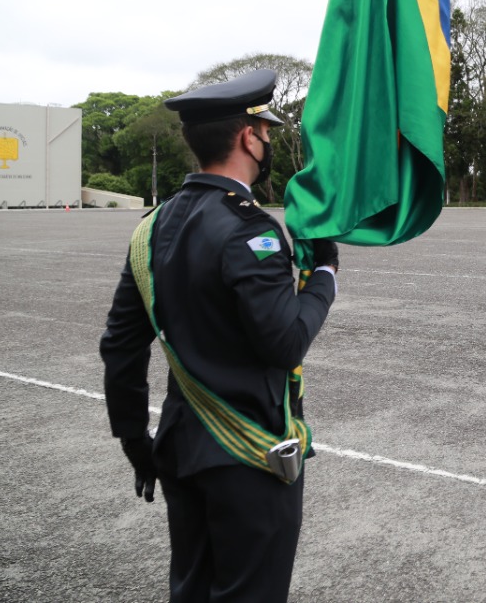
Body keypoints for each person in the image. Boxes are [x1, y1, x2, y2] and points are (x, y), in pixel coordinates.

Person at [100, 69, 339, 603]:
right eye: (267, 131)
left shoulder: (152, 227)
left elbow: (120, 346)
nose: (269, 140)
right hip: (248, 455)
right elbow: (283, 343)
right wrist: (324, 278)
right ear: (247, 136)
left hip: (181, 447)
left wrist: (135, 440)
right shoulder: (249, 229)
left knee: (191, 588)